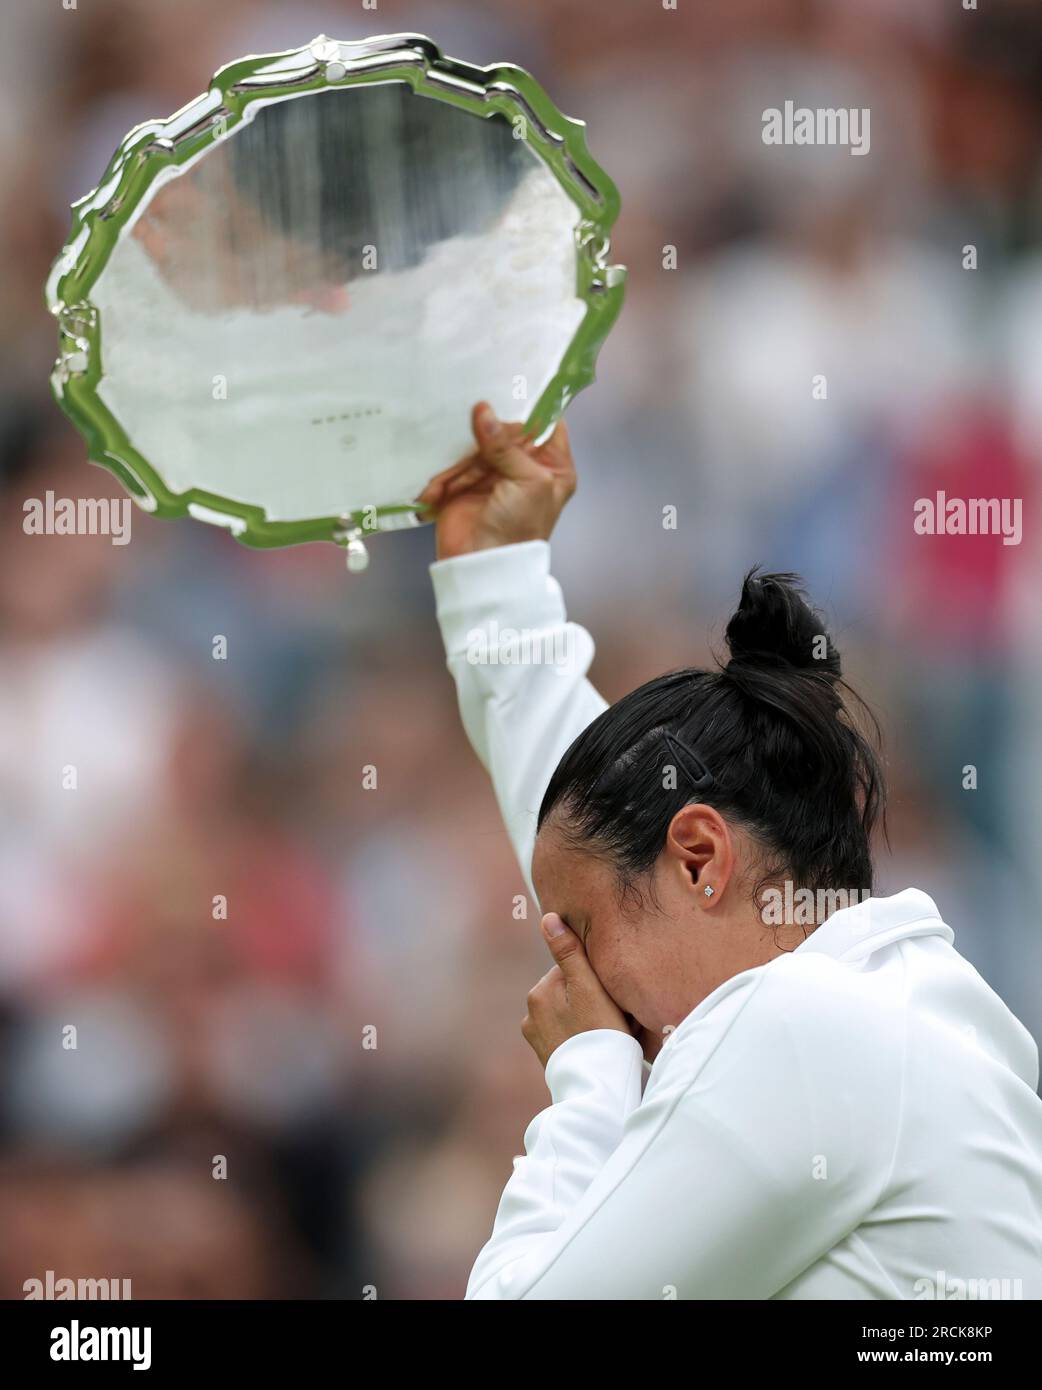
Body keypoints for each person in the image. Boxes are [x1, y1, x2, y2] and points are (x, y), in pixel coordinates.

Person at [418, 404, 1042, 1301]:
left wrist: (590, 1076)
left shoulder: (801, 1025)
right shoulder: (900, 1007)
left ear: (704, 859)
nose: (574, 989)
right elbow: (594, 826)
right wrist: (494, 575)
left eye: (585, 942)